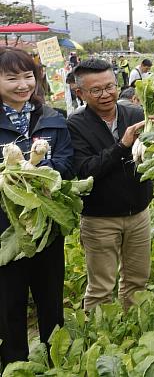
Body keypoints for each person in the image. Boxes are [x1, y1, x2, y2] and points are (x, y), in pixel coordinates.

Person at [0, 48, 73, 366]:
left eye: (27, 76)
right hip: (6, 229)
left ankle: (56, 361)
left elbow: (68, 166)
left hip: (47, 228)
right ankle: (14, 364)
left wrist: (36, 168)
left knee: (51, 301)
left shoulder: (53, 118)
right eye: (11, 78)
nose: (22, 84)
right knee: (9, 304)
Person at [68, 58, 152, 310]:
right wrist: (122, 146)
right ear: (79, 92)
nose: (105, 94)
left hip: (138, 213)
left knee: (138, 280)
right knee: (101, 287)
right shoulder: (75, 124)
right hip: (99, 219)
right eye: (96, 90)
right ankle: (99, 339)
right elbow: (85, 170)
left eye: (110, 87)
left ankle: (134, 328)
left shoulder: (136, 114)